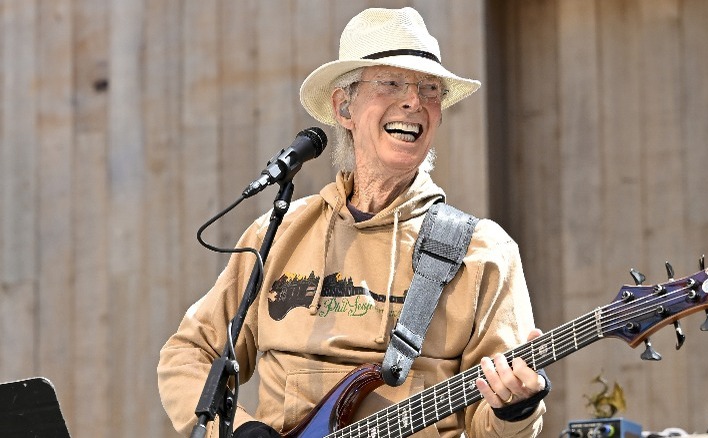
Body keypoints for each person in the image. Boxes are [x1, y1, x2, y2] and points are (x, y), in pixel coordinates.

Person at [158, 7, 549, 438]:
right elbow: (187, 355)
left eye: (429, 88)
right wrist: (236, 432)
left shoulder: (484, 252)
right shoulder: (279, 233)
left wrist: (515, 411)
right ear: (344, 107)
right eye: (391, 83)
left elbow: (490, 428)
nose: (413, 101)